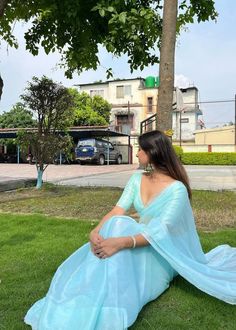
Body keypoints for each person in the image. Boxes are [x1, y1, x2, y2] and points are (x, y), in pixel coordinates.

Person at [24, 130, 236, 330]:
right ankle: (91, 294)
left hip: (161, 249)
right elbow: (117, 209)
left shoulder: (177, 189)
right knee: (118, 223)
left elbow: (161, 231)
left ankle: (108, 304)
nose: (137, 153)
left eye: (140, 150)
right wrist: (95, 231)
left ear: (152, 153)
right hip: (138, 239)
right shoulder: (137, 179)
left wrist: (120, 242)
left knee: (119, 232)